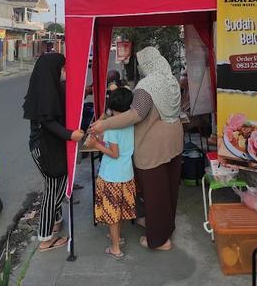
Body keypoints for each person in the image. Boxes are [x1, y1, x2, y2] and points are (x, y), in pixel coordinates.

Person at [89, 46, 183, 251]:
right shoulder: (171, 79)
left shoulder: (147, 86)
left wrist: (104, 124)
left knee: (155, 194)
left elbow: (136, 115)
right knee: (168, 190)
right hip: (174, 142)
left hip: (153, 148)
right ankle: (165, 226)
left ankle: (159, 240)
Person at [23, 53, 84, 252]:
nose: (64, 72)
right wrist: (70, 135)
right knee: (53, 191)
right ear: (53, 70)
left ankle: (56, 222)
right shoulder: (47, 91)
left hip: (46, 146)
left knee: (55, 185)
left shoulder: (45, 86)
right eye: (62, 68)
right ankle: (46, 238)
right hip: (46, 147)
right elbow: (48, 122)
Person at [86, 87, 135, 260]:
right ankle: (118, 238)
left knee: (112, 214)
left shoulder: (113, 127)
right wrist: (101, 139)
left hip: (112, 176)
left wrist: (96, 145)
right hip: (126, 174)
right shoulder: (130, 122)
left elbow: (114, 153)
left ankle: (115, 248)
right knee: (120, 210)